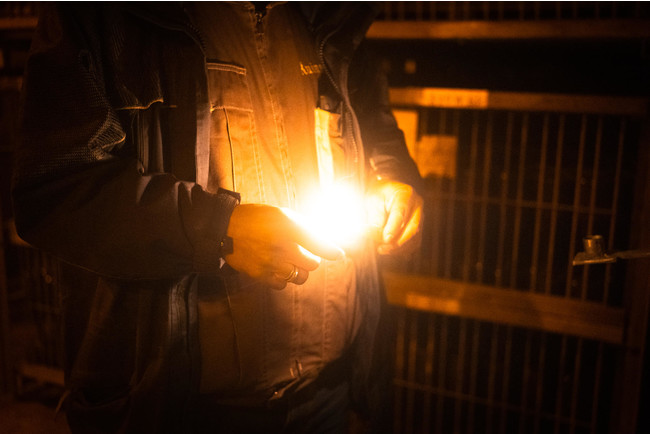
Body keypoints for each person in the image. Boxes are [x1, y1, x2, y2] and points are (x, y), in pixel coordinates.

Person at [12, 2, 423, 433]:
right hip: (182, 413)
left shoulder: (330, 15)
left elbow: (374, 128)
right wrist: (220, 229)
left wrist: (392, 178)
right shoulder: (102, 15)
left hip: (328, 397)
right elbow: (56, 190)